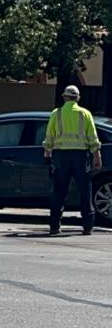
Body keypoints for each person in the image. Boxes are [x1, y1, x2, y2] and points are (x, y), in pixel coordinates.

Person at [43, 85, 102, 236]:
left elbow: (50, 136)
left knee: (59, 191)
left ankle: (55, 226)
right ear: (78, 98)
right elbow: (93, 137)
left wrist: (47, 153)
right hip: (81, 156)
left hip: (61, 156)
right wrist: (97, 155)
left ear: (64, 97)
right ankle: (87, 226)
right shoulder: (85, 114)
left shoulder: (56, 114)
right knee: (85, 190)